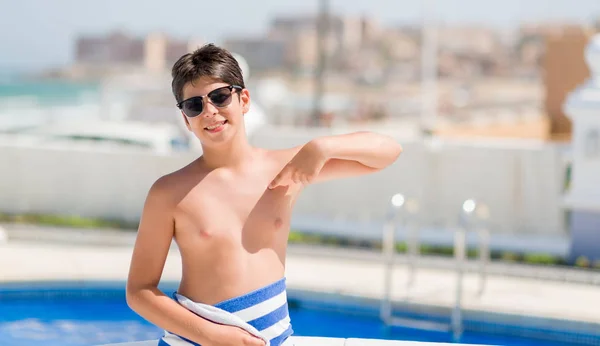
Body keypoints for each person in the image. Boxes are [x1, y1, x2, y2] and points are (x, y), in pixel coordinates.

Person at [125, 43, 403, 346]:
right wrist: (215, 337)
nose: (210, 112)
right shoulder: (169, 192)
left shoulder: (287, 169)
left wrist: (322, 147)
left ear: (244, 99)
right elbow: (139, 291)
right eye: (194, 105)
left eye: (220, 96)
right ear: (185, 120)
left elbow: (388, 152)